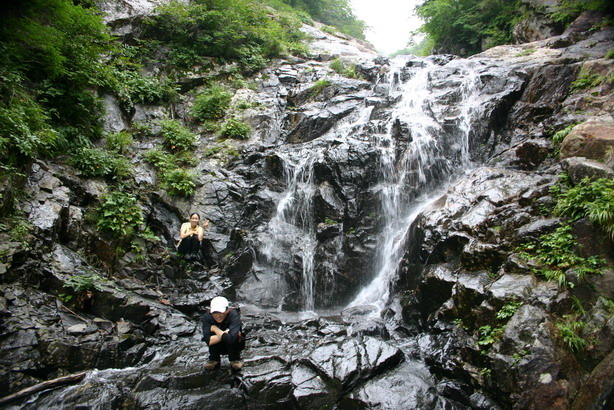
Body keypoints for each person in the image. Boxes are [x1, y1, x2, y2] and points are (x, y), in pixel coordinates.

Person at [202, 296, 244, 370]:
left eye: (220, 313)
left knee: (237, 335)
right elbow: (208, 340)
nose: (218, 316)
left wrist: (215, 329)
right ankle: (214, 359)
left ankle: (234, 359)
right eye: (215, 313)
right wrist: (225, 333)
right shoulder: (207, 317)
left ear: (227, 310)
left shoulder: (234, 315)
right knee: (221, 336)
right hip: (218, 345)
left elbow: (231, 339)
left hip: (234, 344)